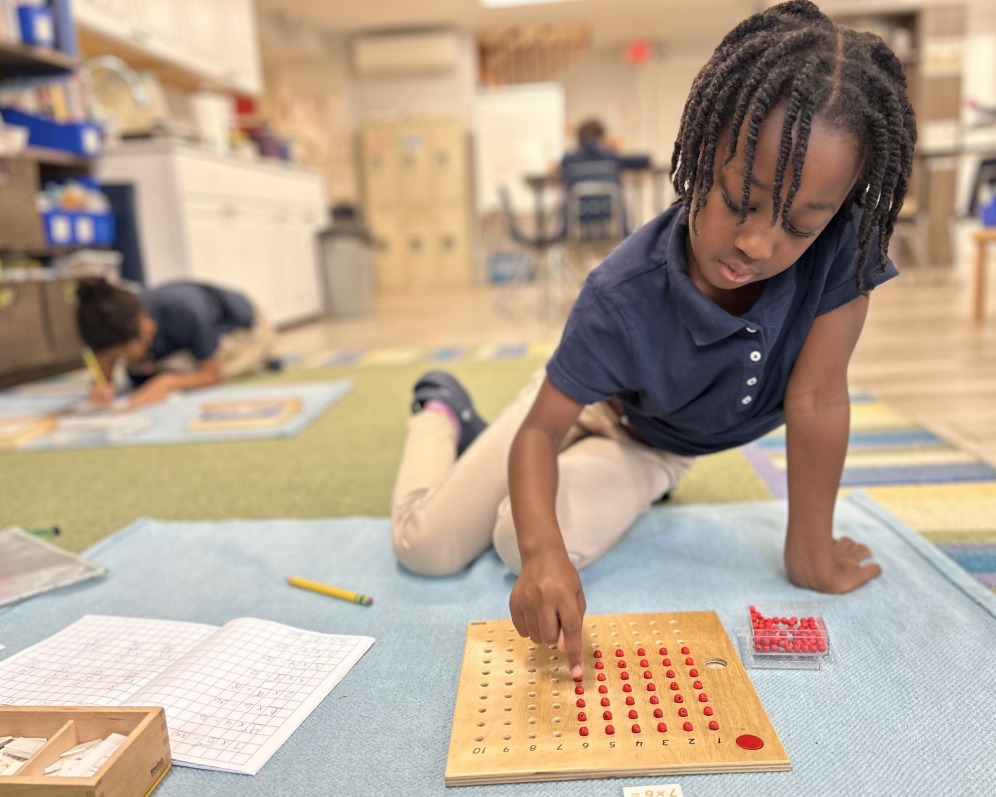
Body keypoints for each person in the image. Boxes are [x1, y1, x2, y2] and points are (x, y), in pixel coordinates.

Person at [390, 0, 916, 680]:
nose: (757, 243)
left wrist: (809, 553)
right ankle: (440, 414)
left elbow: (816, 399)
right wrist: (547, 549)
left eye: (799, 225)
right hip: (579, 402)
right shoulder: (621, 292)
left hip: (653, 445)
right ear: (700, 156)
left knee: (511, 540)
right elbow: (540, 435)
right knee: (427, 547)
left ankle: (528, 483)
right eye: (739, 199)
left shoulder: (843, 251)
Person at [75, 277, 278, 408]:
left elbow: (211, 375)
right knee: (143, 373)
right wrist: (101, 384)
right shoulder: (117, 322)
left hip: (248, 327)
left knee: (181, 371)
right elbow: (103, 361)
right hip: (177, 343)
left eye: (123, 354)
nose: (118, 361)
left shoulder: (184, 310)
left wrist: (169, 382)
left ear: (147, 328)